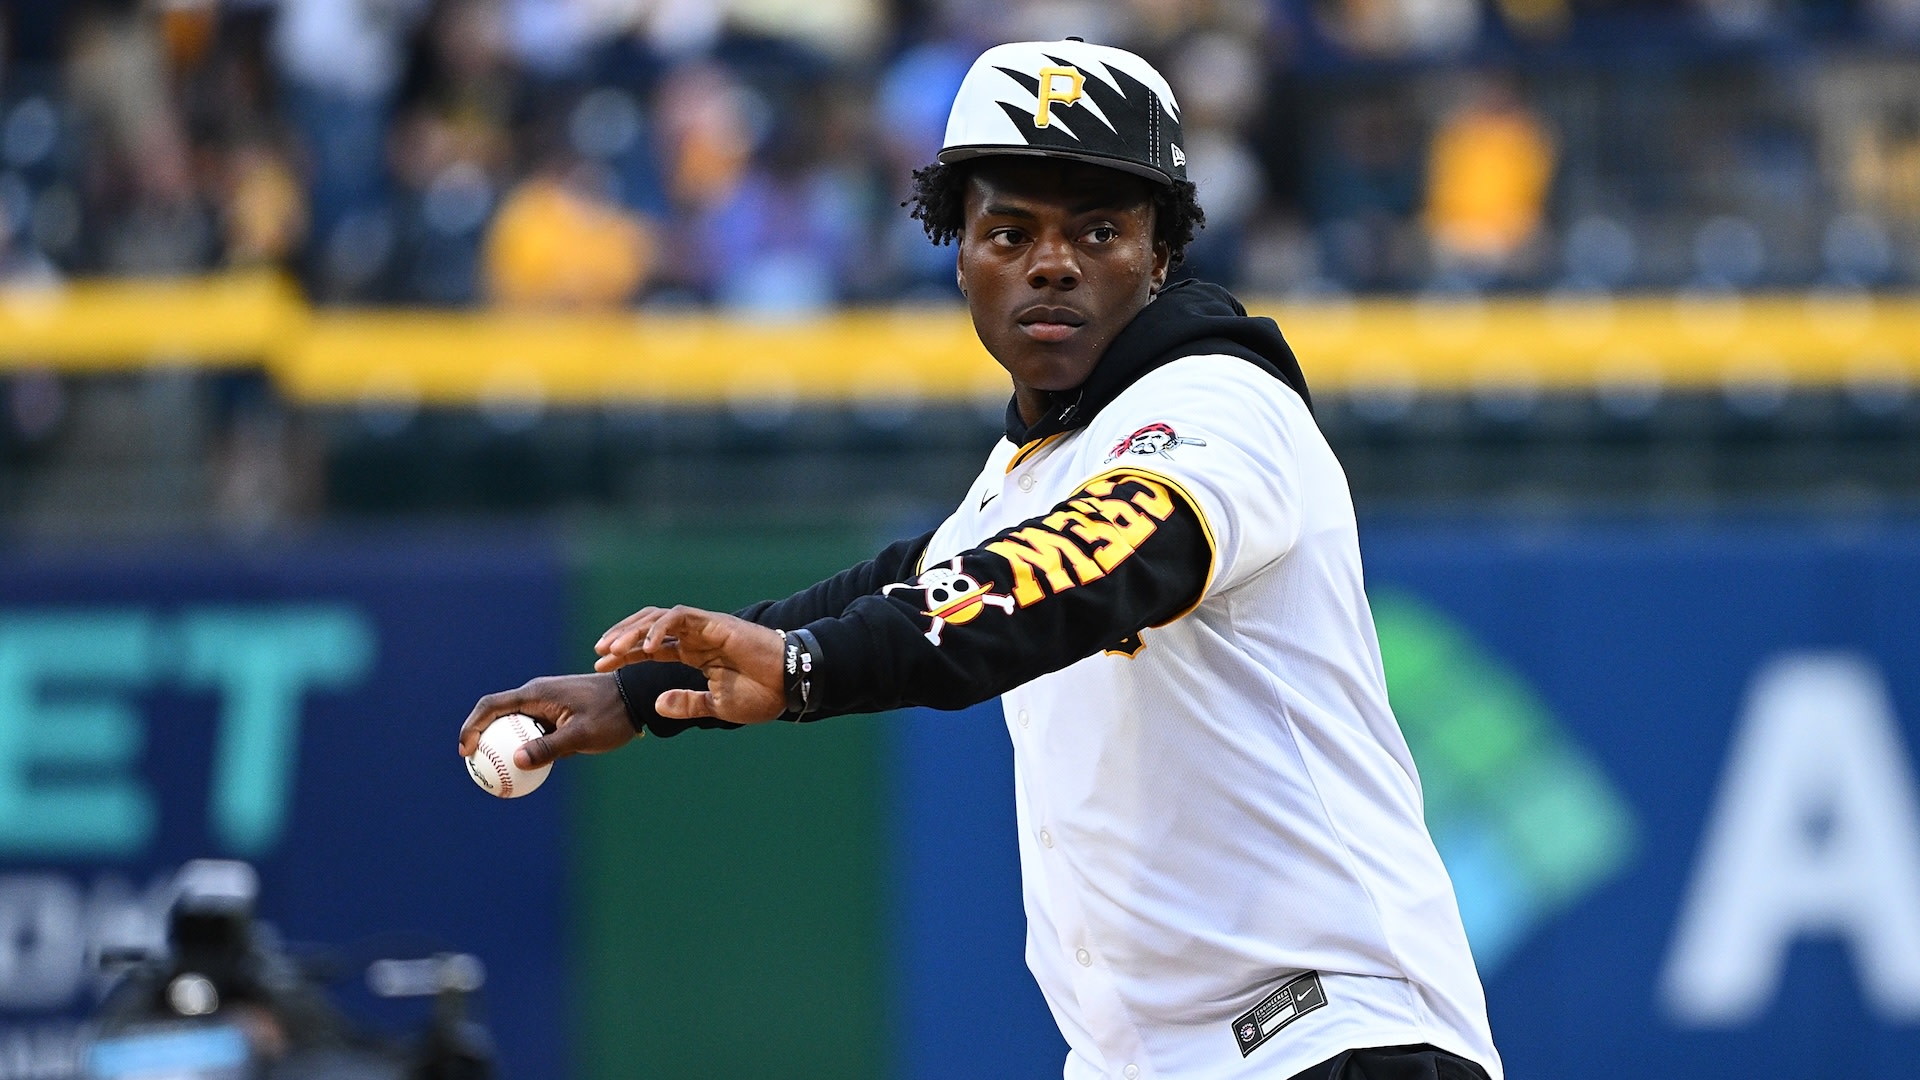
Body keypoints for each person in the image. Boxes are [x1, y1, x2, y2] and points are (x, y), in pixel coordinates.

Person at [460, 39, 1502, 1080]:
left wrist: (815, 669)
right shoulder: (1045, 461)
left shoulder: (1219, 406)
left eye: (1100, 229)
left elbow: (1080, 562)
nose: (1053, 262)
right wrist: (642, 690)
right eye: (1010, 230)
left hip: (1336, 1039)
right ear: (957, 252)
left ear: (1162, 254)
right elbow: (909, 580)